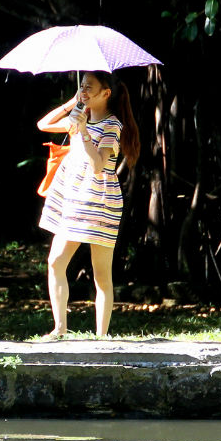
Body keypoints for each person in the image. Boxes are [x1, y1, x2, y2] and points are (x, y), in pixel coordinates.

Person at [36, 70, 141, 339]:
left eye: (89, 88)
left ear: (106, 94)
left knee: (101, 273)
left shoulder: (112, 124)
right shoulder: (77, 116)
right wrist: (72, 103)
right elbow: (43, 124)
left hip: (98, 200)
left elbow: (97, 166)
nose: (84, 92)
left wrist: (83, 130)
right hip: (73, 195)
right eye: (82, 86)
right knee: (56, 261)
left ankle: (101, 336)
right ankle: (59, 328)